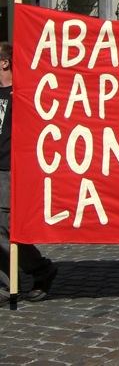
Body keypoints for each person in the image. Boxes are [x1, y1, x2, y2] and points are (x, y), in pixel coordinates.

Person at [0, 42, 58, 304]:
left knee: (5, 227)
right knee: (7, 228)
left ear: (5, 62)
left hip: (10, 168)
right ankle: (36, 271)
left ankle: (17, 280)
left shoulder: (24, 92)